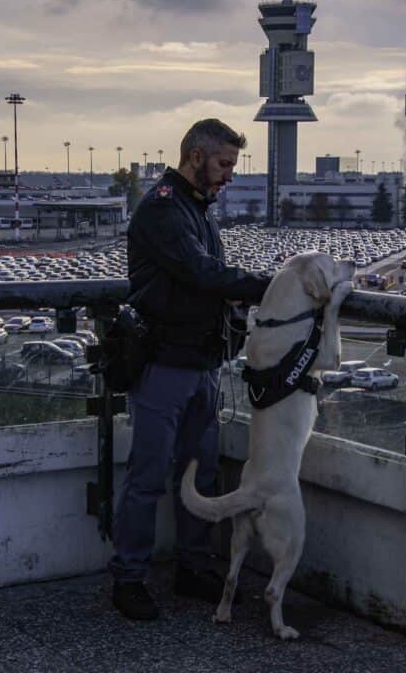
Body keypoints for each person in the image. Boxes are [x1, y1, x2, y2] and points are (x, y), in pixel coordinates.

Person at [109, 119, 271, 620]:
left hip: (201, 364)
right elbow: (204, 275)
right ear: (196, 158)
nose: (228, 177)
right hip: (163, 366)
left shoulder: (195, 208)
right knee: (149, 477)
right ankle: (129, 579)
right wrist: (273, 284)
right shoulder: (162, 209)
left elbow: (207, 278)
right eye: (223, 165)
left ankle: (193, 567)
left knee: (198, 475)